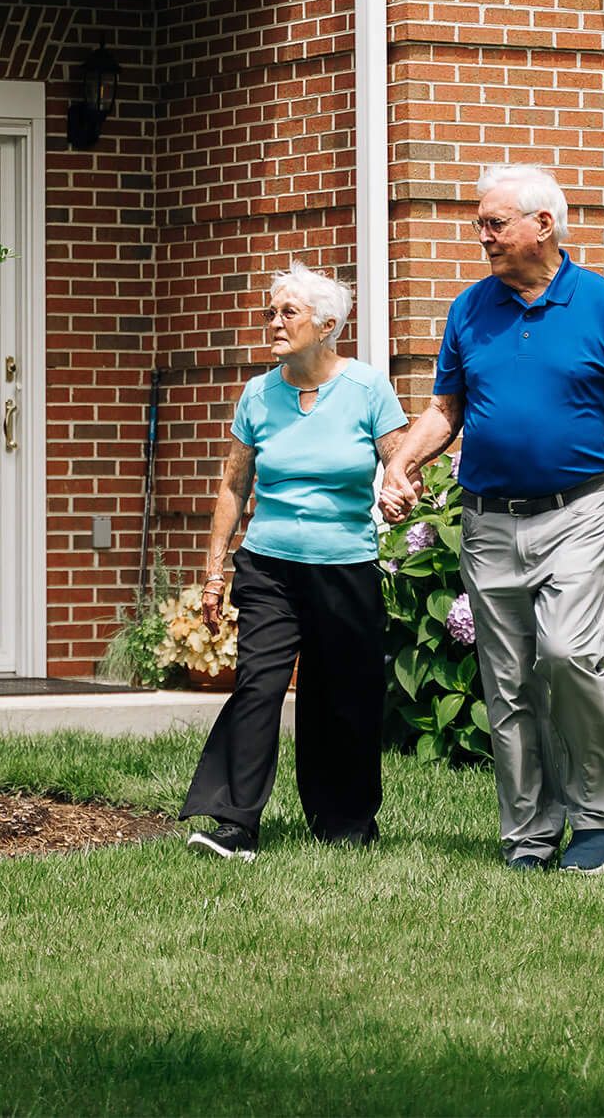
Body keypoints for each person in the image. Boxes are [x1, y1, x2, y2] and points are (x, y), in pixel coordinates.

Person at [381, 164, 604, 876]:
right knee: (508, 680)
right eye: (480, 223)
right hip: (487, 519)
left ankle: (597, 818)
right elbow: (446, 409)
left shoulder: (602, 305)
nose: (480, 235)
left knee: (568, 654)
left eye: (495, 223)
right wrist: (404, 464)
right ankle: (529, 833)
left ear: (543, 225)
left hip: (577, 510)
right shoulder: (470, 309)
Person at [181, 260, 409, 861]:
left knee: (343, 695)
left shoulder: (366, 389)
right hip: (269, 566)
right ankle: (234, 823)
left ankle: (344, 823)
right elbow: (234, 486)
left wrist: (400, 487)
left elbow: (398, 461)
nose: (274, 323)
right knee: (258, 685)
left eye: (288, 313)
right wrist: (214, 570)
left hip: (345, 566)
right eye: (271, 313)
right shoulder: (258, 393)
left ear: (327, 323)